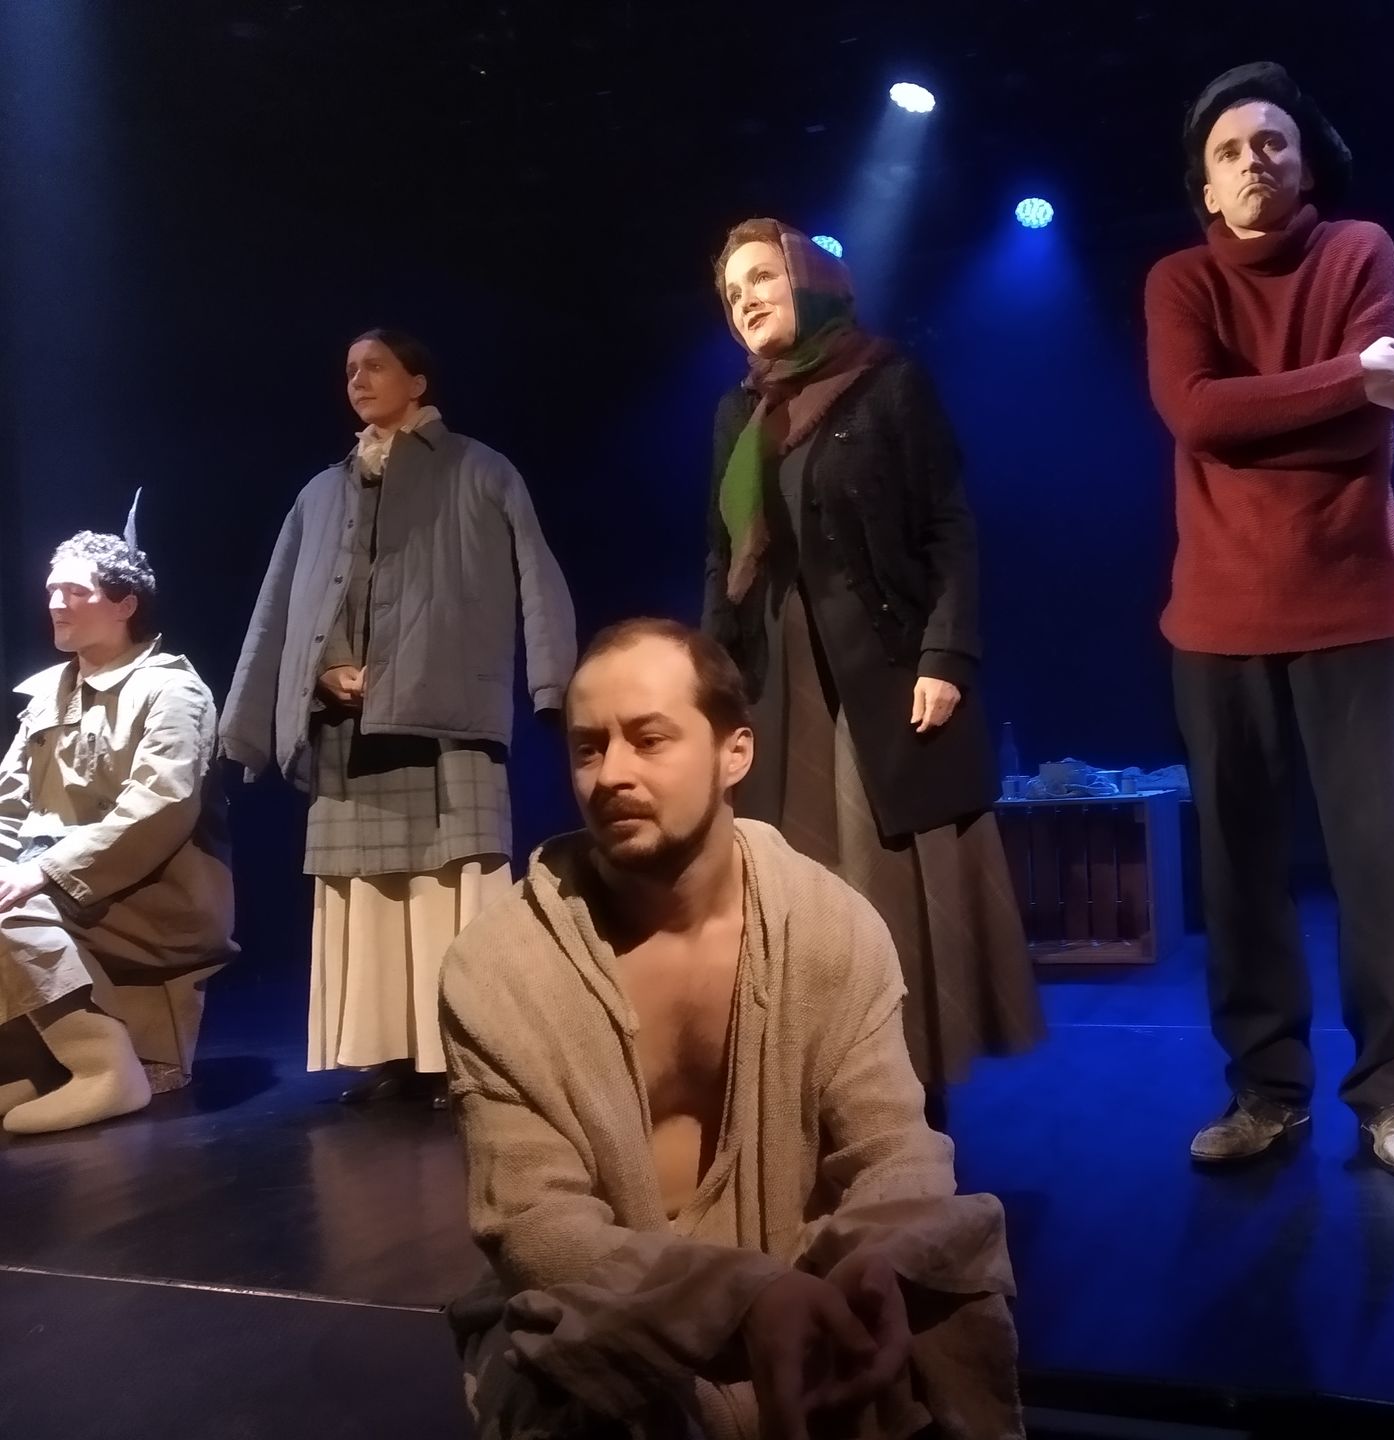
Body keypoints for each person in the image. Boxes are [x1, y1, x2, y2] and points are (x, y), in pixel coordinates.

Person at [442, 618, 1022, 1438]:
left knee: (950, 1275)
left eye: (649, 739)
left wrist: (870, 1269)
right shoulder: (501, 963)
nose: (612, 773)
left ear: (735, 753)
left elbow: (892, 1147)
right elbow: (536, 1226)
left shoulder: (828, 926)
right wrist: (742, 1299)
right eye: (588, 748)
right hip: (613, 1293)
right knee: (567, 1370)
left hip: (804, 1265)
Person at [1144, 62, 1394, 1173]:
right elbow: (1194, 413)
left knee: (1387, 867)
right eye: (1228, 151)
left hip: (1359, 605)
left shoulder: (1359, 249)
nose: (1252, 160)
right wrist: (1346, 378)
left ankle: (1390, 1094)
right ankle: (1266, 1090)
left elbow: (1367, 422)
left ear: (1306, 163)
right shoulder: (1181, 279)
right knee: (1239, 873)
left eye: (1272, 141)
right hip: (1219, 618)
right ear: (1206, 188)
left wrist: (1287, 409)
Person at [701, 219, 1042, 1118]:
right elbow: (723, 558)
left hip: (884, 675)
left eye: (762, 277)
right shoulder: (740, 413)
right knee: (798, 896)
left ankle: (910, 1108)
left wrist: (945, 654)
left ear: (809, 278)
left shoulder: (887, 382)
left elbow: (948, 527)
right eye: (733, 294)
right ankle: (824, 1106)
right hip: (779, 685)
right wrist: (709, 686)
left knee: (882, 888)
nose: (746, 301)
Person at [222, 328, 576, 1106]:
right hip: (347, 729)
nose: (357, 378)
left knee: (452, 885)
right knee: (368, 891)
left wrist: (555, 685)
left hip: (447, 722)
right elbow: (278, 605)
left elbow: (537, 573)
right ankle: (390, 1050)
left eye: (375, 365)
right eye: (349, 368)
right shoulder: (320, 493)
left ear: (417, 382)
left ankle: (468, 1054)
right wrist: (309, 679)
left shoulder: (480, 470)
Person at [0, 531, 233, 1134]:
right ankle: (28, 1063)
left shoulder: (172, 690)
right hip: (68, 889)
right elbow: (8, 806)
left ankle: (103, 1066)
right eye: (52, 590)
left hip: (149, 896)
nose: (57, 603)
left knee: (11, 911)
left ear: (125, 604)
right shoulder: (46, 696)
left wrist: (41, 871)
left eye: (76, 591)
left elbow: (160, 806)